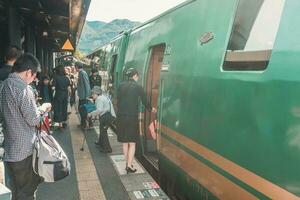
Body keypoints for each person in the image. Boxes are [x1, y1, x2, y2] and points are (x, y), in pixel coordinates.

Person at [0, 53, 51, 200]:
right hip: (24, 151)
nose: (33, 79)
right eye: (34, 76)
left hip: (9, 149)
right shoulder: (23, 88)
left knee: (14, 191)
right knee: (27, 191)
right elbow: (34, 120)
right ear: (28, 72)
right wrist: (43, 108)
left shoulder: (3, 85)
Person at [116, 68, 156, 173]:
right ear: (135, 76)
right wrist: (151, 109)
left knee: (125, 143)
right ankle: (129, 165)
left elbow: (118, 99)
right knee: (132, 143)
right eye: (137, 76)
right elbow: (144, 101)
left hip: (121, 116)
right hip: (131, 117)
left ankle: (127, 163)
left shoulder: (121, 85)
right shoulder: (138, 87)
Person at [88, 86, 116, 153]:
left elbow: (99, 110)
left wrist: (91, 114)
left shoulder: (99, 99)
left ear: (97, 93)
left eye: (93, 94)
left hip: (106, 117)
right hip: (108, 115)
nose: (92, 95)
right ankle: (100, 142)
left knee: (103, 131)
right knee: (102, 129)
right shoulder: (103, 96)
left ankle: (107, 149)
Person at [76, 63, 91, 128]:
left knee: (83, 110)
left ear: (76, 67)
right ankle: (83, 124)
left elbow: (87, 84)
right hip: (82, 96)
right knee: (82, 110)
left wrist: (87, 96)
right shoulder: (81, 73)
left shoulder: (83, 73)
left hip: (84, 96)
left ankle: (86, 124)